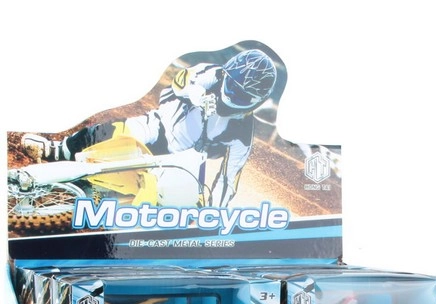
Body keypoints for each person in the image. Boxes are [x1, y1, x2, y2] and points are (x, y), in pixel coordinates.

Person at [22, 48, 278, 208]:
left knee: (170, 204)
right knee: (109, 132)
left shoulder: (243, 134)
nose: (232, 96)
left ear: (257, 101)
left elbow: (228, 179)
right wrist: (196, 94)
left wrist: (215, 214)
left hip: (181, 161)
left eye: (243, 96)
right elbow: (181, 81)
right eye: (232, 87)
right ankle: (58, 150)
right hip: (157, 127)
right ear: (226, 75)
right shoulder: (211, 73)